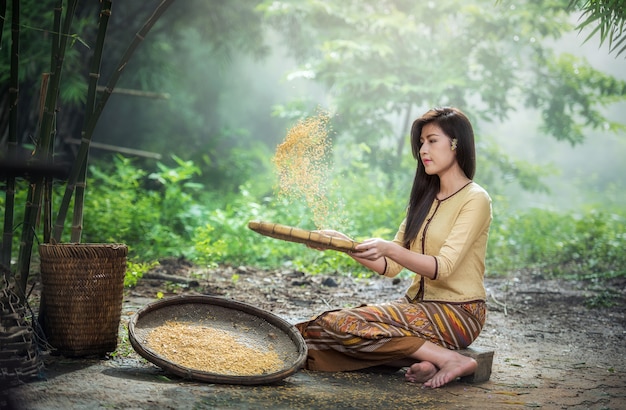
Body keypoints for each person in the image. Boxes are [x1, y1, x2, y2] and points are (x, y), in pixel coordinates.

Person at [296, 106, 492, 388]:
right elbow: (390, 267)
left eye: (432, 140)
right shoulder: (423, 199)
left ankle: (452, 359)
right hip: (416, 308)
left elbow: (443, 267)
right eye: (421, 142)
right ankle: (427, 360)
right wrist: (342, 243)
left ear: (456, 144)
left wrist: (390, 248)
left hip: (458, 313)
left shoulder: (475, 199)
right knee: (313, 335)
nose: (423, 149)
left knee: (341, 325)